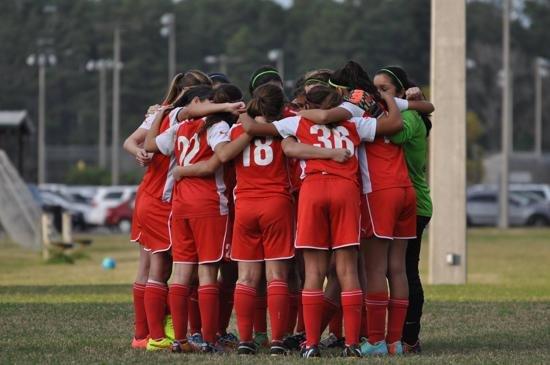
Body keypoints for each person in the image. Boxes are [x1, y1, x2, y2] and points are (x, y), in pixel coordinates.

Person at [241, 84, 404, 358]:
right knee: (347, 270)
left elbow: (255, 129)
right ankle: (352, 344)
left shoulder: (297, 121)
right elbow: (393, 125)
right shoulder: (354, 122)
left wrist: (245, 110)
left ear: (309, 106)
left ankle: (311, 343)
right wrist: (389, 99)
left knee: (314, 272)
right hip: (345, 191)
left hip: (313, 190)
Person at [145, 84, 246, 353]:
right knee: (207, 271)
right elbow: (222, 155)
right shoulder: (217, 126)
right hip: (209, 204)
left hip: (180, 205)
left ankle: (180, 340)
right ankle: (209, 339)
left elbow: (150, 145)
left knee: (181, 271)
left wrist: (160, 115)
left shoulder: (181, 125)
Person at [122, 70, 211, 350]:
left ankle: (143, 334)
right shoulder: (176, 116)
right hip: (162, 198)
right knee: (164, 267)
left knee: (148, 266)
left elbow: (130, 140)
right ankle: (158, 336)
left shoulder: (158, 113)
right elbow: (137, 143)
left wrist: (137, 151)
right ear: (194, 98)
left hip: (148, 195)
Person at [374, 66, 433, 354]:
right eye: (376, 88)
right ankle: (394, 337)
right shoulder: (403, 111)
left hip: (414, 203)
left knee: (406, 270)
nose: (378, 93)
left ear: (399, 91)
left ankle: (409, 338)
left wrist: (401, 105)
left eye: (384, 88)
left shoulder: (408, 116)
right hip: (397, 200)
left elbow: (395, 135)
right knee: (390, 270)